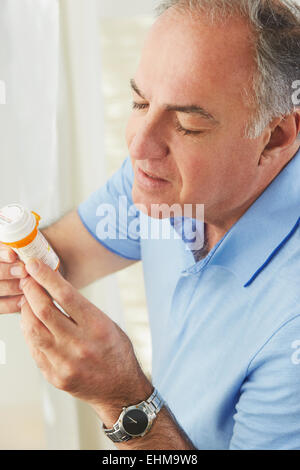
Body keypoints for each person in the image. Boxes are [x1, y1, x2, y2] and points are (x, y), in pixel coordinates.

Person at [0, 0, 300, 450]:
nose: (139, 146)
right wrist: (22, 262)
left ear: (273, 138)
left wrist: (123, 401)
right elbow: (64, 257)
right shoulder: (163, 177)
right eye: (140, 101)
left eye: (187, 125)